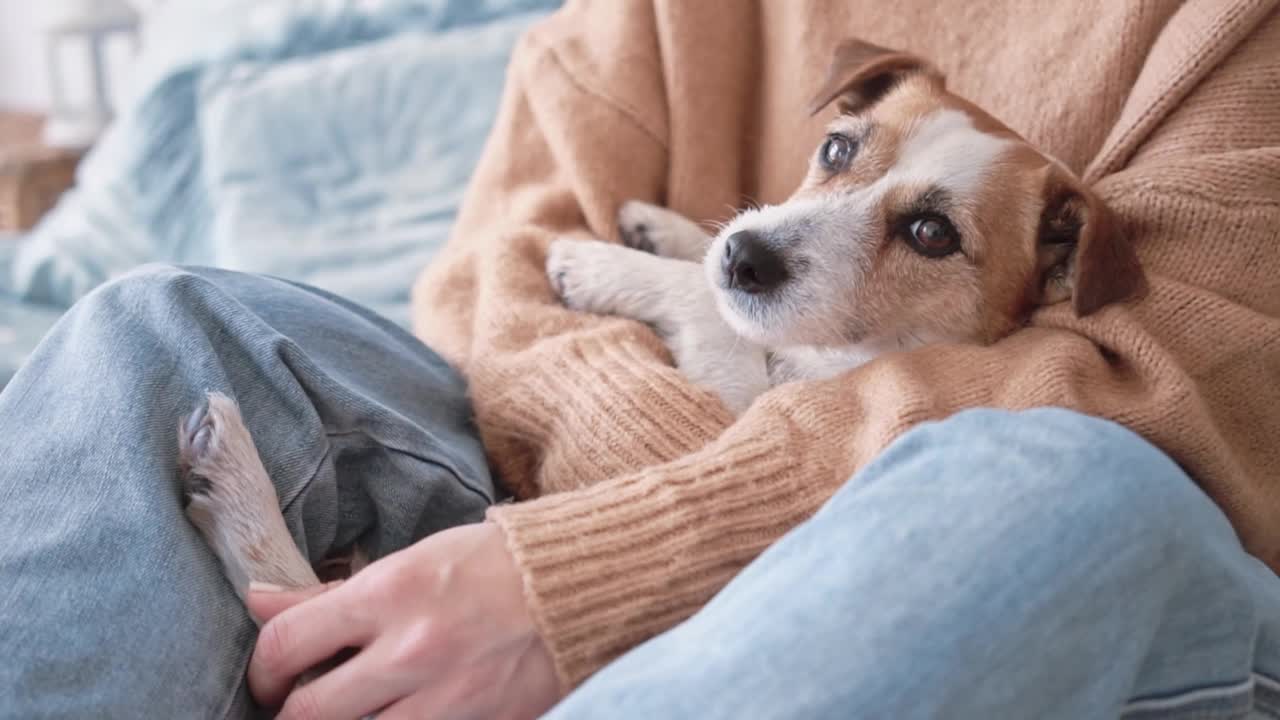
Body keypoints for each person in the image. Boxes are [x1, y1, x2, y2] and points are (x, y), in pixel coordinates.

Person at [2, 0, 1278, 718]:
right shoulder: (631, 24)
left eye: (927, 231)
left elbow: (1172, 387)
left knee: (1054, 483)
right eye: (838, 154)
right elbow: (498, 283)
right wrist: (600, 526)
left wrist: (621, 563)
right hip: (564, 482)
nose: (790, 225)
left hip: (950, 527)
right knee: (149, 328)